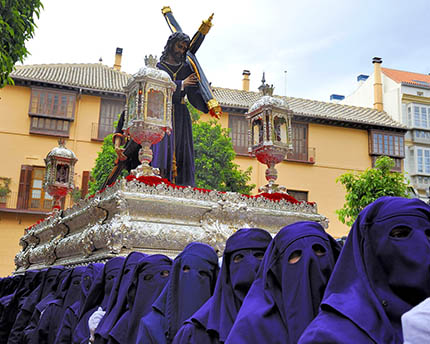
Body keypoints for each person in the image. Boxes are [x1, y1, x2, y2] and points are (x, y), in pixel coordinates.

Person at [298, 196, 430, 344]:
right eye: (400, 234)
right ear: (369, 247)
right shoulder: (330, 334)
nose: (422, 244)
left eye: (429, 235)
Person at [226, 221, 341, 344]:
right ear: (277, 267)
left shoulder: (350, 315)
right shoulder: (252, 326)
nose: (310, 260)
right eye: (295, 254)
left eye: (318, 250)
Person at [173, 228, 272, 344]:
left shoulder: (289, 318)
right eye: (239, 258)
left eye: (259, 256)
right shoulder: (197, 333)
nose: (251, 264)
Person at [152, 32, 209, 186]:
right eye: (179, 46)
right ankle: (161, 181)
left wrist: (207, 103)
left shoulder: (186, 68)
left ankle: (183, 185)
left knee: (183, 152)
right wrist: (181, 84)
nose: (181, 51)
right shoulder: (158, 68)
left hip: (181, 116)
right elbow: (159, 91)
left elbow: (193, 95)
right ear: (171, 45)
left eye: (184, 48)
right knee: (163, 151)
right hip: (164, 114)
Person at [137, 242, 219, 344]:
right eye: (186, 270)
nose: (193, 278)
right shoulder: (152, 325)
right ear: (176, 276)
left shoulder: (223, 320)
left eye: (203, 273)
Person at [108, 254, 173, 344]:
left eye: (165, 275)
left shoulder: (180, 316)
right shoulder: (125, 322)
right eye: (149, 278)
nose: (158, 281)